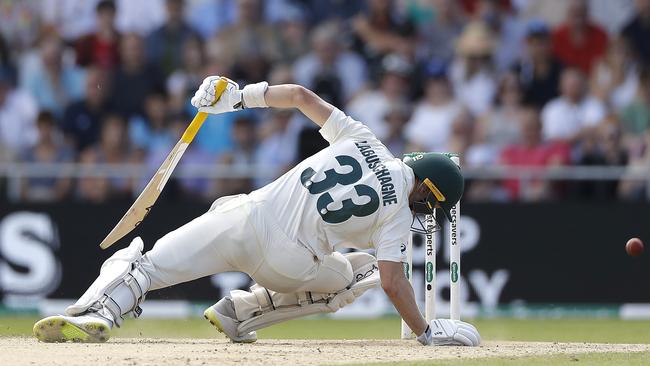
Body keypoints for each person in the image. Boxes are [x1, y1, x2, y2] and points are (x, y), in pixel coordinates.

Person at [33, 76, 480, 347]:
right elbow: (391, 281)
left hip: (245, 217)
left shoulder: (363, 138)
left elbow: (302, 96)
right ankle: (242, 310)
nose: (425, 210)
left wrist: (238, 97)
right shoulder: (399, 214)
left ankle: (96, 312)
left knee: (145, 265)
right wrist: (424, 331)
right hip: (288, 264)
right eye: (430, 202)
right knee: (351, 275)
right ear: (425, 187)